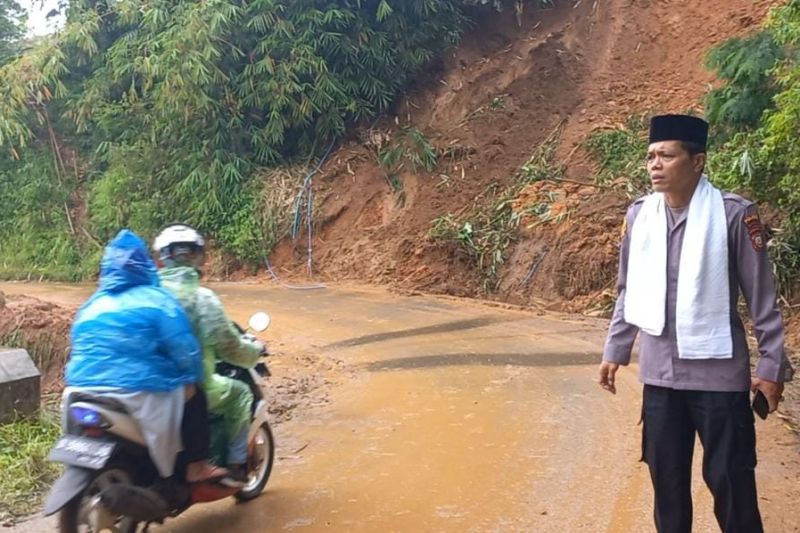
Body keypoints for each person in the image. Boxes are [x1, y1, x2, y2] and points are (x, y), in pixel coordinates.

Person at [598, 114, 794, 533]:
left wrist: (771, 367)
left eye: (666, 156)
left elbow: (761, 298)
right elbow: (627, 289)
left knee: (730, 483)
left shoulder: (734, 216)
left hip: (717, 376)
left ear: (697, 161)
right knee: (666, 486)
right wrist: (615, 350)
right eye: (651, 156)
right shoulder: (639, 216)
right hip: (660, 377)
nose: (654, 164)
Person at [65, 229, 226, 483]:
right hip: (137, 390)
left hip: (81, 388)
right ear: (147, 265)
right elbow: (184, 349)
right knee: (195, 393)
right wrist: (193, 375)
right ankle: (196, 466)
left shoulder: (92, 304)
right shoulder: (159, 300)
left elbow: (75, 345)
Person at [153, 224, 265, 485]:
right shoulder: (203, 299)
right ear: (197, 256)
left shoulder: (147, 294)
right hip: (192, 388)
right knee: (241, 393)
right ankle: (237, 467)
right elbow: (230, 346)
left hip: (143, 387)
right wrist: (254, 352)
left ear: (162, 258)